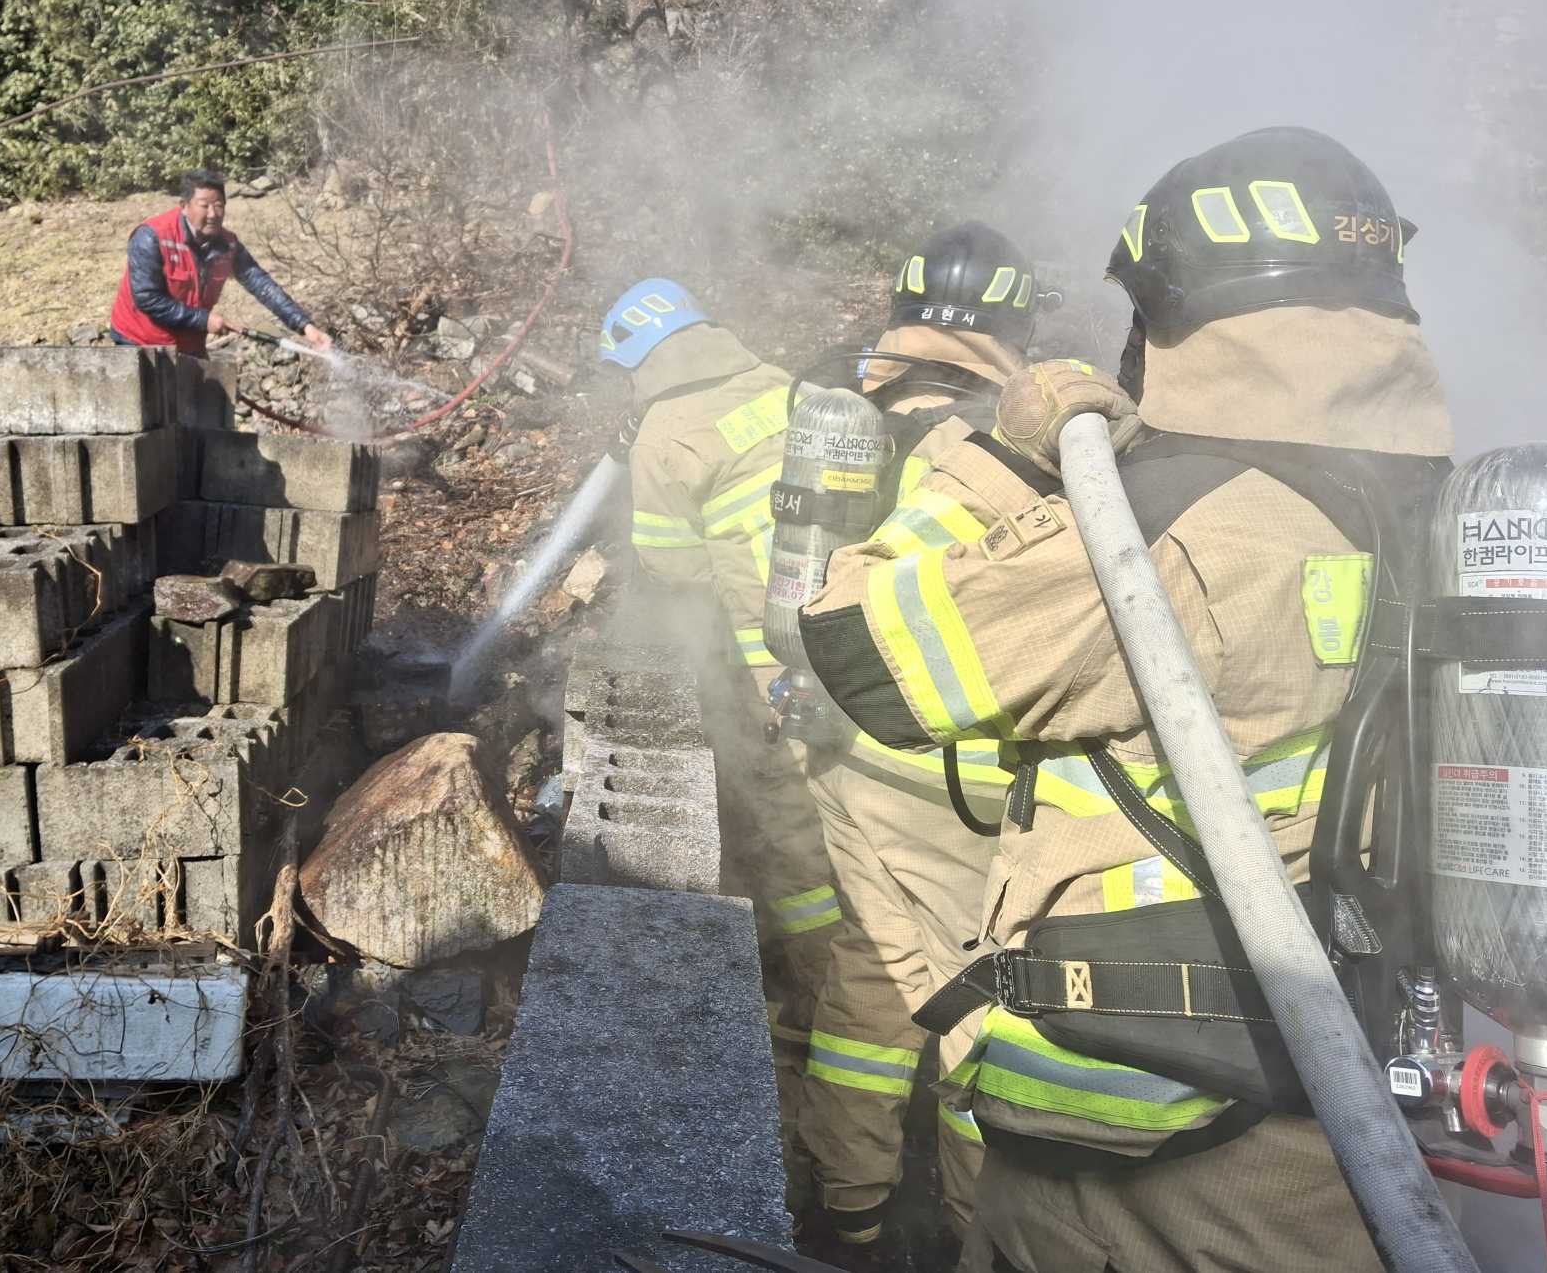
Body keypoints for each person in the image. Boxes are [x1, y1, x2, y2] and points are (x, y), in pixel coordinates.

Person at [801, 127, 1453, 1273]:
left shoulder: (1171, 530)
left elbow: (859, 646)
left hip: (1147, 1162)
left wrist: (1007, 458)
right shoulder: (1442, 511)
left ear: (1174, 314)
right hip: (1351, 1145)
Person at [798, 224, 1048, 1259]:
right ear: (1016, 320)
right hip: (962, 779)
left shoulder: (845, 402)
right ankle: (969, 1236)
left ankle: (848, 1211)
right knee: (984, 1007)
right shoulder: (1019, 434)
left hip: (847, 754)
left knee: (872, 971)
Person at [600, 277, 843, 1190]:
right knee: (849, 819)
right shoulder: (782, 381)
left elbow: (674, 572)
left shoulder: (665, 436)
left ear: (636, 360)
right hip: (859, 641)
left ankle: (822, 999)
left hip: (772, 671)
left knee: (793, 838)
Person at [110, 169, 332, 355]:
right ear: (184, 206)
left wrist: (305, 327)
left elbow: (261, 284)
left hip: (187, 345)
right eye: (204, 205)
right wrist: (202, 320)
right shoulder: (152, 236)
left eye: (219, 205)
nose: (213, 214)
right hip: (138, 342)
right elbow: (147, 298)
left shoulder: (228, 245)